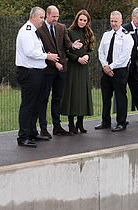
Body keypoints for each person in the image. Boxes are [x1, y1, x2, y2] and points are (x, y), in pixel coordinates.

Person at [37, 5, 83, 138]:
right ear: (47, 15)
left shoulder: (61, 28)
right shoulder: (39, 29)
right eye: (53, 16)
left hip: (62, 69)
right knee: (44, 99)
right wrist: (54, 63)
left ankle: (57, 127)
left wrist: (73, 45)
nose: (56, 19)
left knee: (57, 98)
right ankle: (43, 128)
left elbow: (67, 44)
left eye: (57, 16)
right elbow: (41, 52)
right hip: (47, 70)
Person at [15, 7, 59, 148]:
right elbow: (29, 52)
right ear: (33, 17)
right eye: (40, 17)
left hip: (37, 72)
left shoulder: (34, 32)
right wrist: (47, 56)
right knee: (28, 105)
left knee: (36, 104)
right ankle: (23, 136)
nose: (42, 20)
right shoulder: (27, 31)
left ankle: (32, 132)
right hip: (29, 72)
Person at [95, 11, 134, 132]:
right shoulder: (106, 35)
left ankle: (121, 122)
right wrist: (105, 66)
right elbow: (100, 51)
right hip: (106, 70)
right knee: (106, 97)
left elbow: (124, 56)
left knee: (120, 96)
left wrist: (111, 67)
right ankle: (105, 121)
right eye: (111, 21)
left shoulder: (127, 36)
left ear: (121, 21)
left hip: (119, 71)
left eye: (116, 21)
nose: (113, 23)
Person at [60, 10, 94, 135]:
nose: (82, 22)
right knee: (72, 94)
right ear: (76, 19)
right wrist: (77, 58)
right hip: (73, 67)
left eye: (85, 20)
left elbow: (90, 49)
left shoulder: (88, 33)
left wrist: (87, 57)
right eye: (81, 19)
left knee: (82, 95)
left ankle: (80, 123)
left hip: (84, 68)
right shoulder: (69, 32)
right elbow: (66, 50)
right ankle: (71, 124)